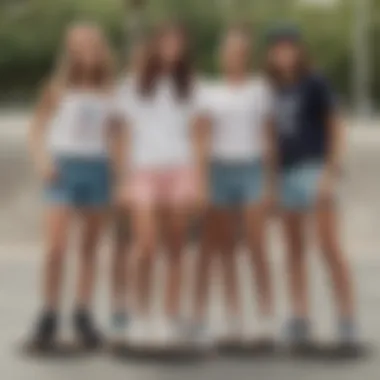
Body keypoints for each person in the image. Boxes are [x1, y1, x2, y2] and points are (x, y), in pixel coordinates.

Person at [265, 26, 360, 353]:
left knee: (328, 246)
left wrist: (330, 173)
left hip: (314, 169)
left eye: (289, 47)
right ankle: (300, 315)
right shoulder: (273, 89)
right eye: (277, 48)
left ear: (299, 50)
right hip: (285, 174)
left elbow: (336, 127)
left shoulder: (315, 83)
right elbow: (270, 139)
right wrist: (272, 184)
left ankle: (347, 319)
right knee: (293, 251)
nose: (283, 53)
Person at [28, 23, 119, 350]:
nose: (86, 52)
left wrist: (119, 175)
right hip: (63, 169)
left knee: (90, 249)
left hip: (97, 170)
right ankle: (49, 313)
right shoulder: (56, 88)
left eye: (92, 45)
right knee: (56, 247)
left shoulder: (112, 91)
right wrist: (43, 163)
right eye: (79, 46)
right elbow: (36, 130)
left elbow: (116, 137)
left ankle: (82, 313)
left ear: (101, 49)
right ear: (70, 51)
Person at [114, 22, 206, 347]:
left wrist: (200, 180)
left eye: (178, 43)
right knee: (146, 247)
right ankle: (140, 315)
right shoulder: (132, 84)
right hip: (143, 173)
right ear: (155, 45)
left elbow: (198, 134)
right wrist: (122, 180)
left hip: (180, 171)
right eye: (166, 42)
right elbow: (122, 135)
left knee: (177, 249)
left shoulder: (191, 86)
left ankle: (168, 317)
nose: (172, 48)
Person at [192, 25, 275, 347]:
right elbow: (202, 138)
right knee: (223, 247)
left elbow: (268, 137)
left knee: (256, 246)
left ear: (247, 55)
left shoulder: (260, 89)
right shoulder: (208, 91)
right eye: (228, 49)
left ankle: (266, 315)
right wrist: (201, 181)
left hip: (251, 169)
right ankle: (234, 316)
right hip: (219, 170)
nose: (234, 55)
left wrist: (270, 183)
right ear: (221, 54)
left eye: (240, 50)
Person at [109, 37, 150, 342]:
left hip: (155, 175)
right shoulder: (122, 90)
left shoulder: (162, 88)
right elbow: (114, 135)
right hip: (127, 175)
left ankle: (141, 305)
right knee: (123, 243)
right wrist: (119, 177)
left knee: (147, 245)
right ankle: (119, 304)